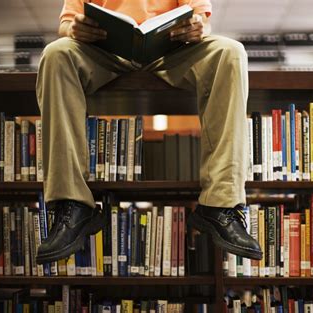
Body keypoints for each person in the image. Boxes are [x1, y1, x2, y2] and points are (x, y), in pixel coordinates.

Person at [35, 0, 263, 264]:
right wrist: (74, 30)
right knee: (56, 54)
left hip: (172, 52)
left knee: (231, 52)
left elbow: (201, 19)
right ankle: (72, 204)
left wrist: (198, 28)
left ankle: (220, 204)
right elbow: (67, 23)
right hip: (104, 52)